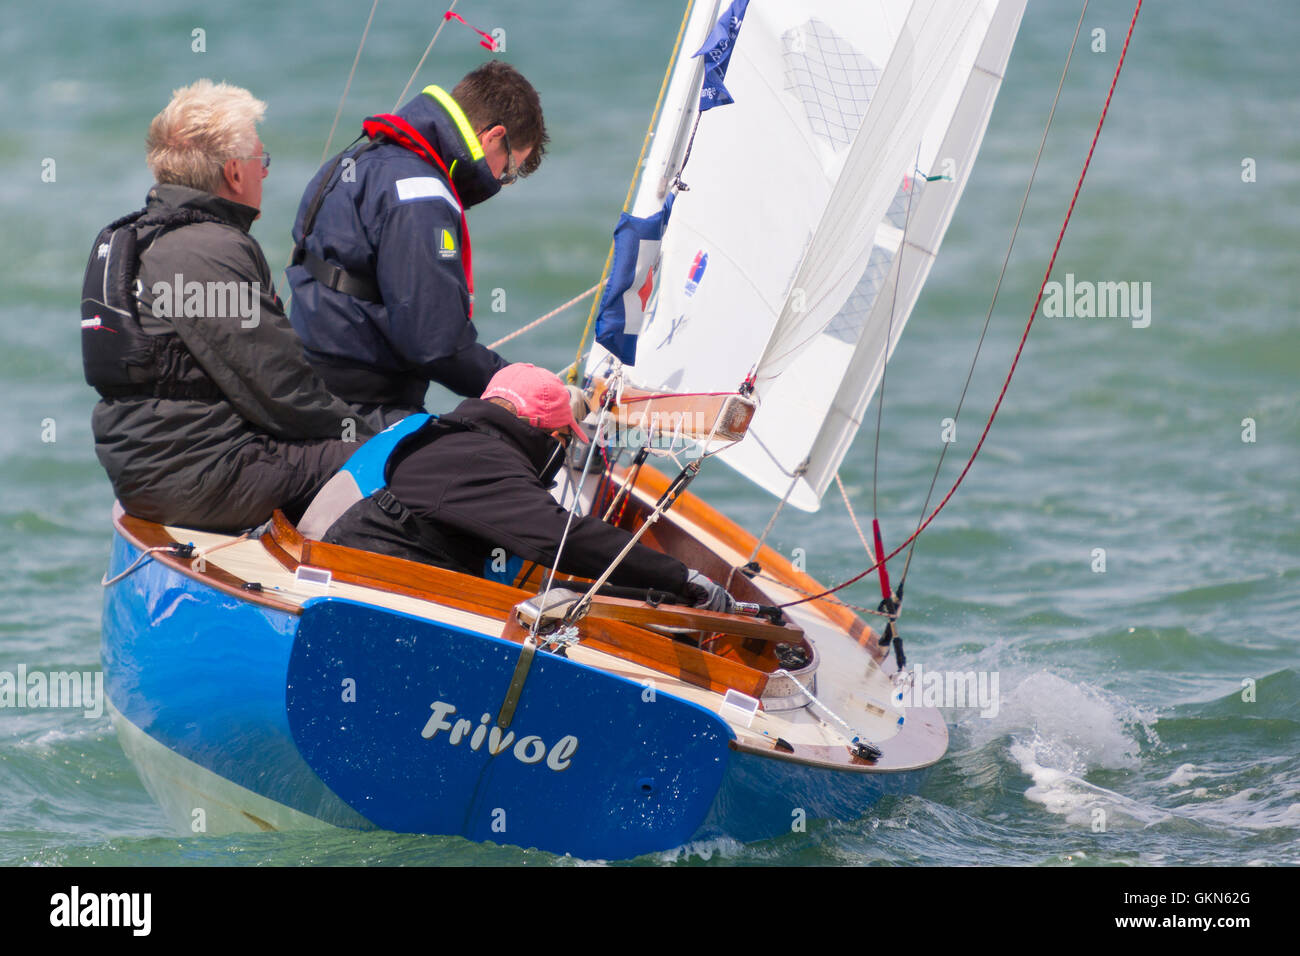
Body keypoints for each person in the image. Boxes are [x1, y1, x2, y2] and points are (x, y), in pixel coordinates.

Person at [82, 79, 373, 533]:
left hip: (142, 470)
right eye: (263, 160)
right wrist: (372, 437)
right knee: (388, 461)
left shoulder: (134, 237)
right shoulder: (209, 250)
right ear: (235, 173)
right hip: (198, 479)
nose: (267, 172)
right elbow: (282, 391)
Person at [317, 364, 735, 611]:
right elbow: (561, 538)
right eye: (563, 440)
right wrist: (680, 577)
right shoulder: (481, 460)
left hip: (340, 567)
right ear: (543, 435)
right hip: (364, 589)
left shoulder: (438, 434)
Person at [286, 61, 548, 426]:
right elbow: (436, 344)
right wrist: (518, 388)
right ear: (492, 137)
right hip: (365, 411)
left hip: (307, 390)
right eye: (508, 170)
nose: (500, 182)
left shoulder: (353, 160)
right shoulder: (420, 195)